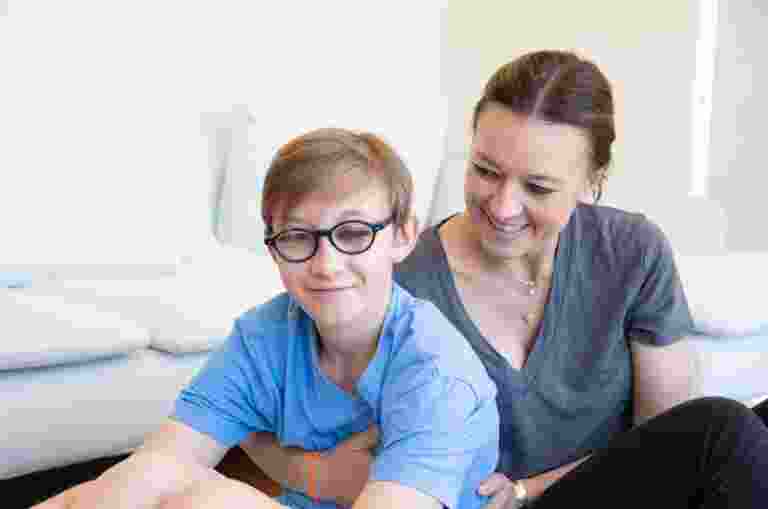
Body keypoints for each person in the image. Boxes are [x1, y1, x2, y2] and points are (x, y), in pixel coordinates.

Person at [241, 50, 768, 508]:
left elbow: (664, 438)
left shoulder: (631, 250)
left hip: (598, 492)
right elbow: (247, 390)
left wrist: (529, 487)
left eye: (537, 186)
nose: (502, 205)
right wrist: (314, 473)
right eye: (486, 170)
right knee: (724, 431)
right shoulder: (398, 275)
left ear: (593, 182)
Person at [31, 128, 500, 509]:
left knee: (213, 502)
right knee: (149, 478)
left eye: (353, 233)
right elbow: (161, 462)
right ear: (273, 248)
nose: (326, 264)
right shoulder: (266, 335)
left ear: (402, 236)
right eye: (298, 237)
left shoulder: (437, 370)